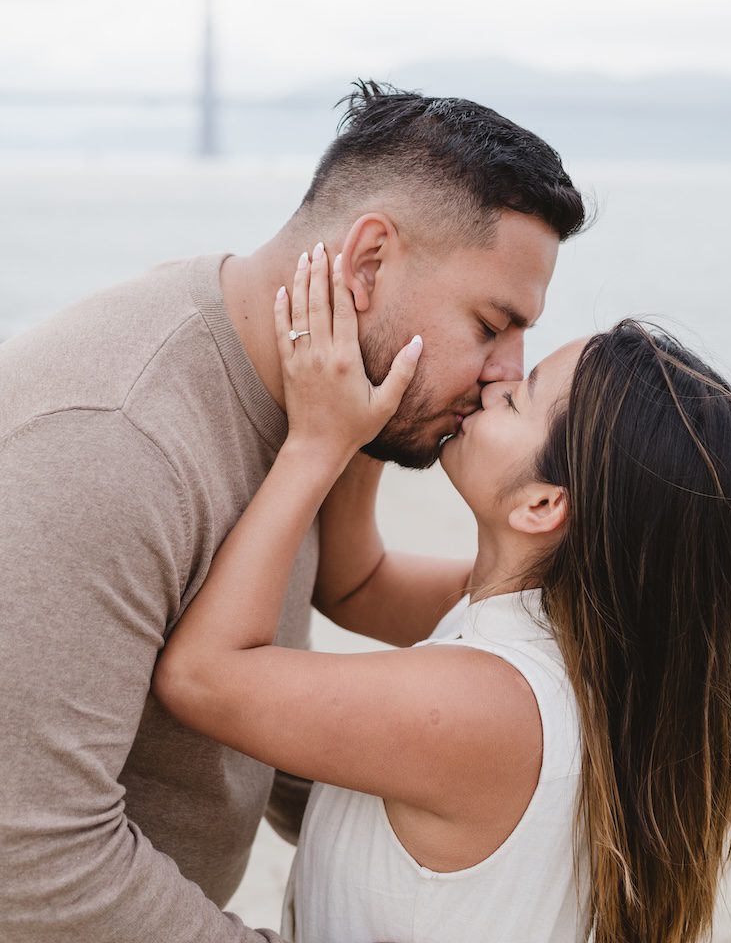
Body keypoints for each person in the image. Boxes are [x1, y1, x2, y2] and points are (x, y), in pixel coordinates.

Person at [0, 84, 585, 943]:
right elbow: (32, 862)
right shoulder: (107, 447)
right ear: (367, 263)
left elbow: (253, 710)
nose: (503, 373)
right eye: (492, 325)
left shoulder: (317, 406)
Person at [154, 247, 731, 943]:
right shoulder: (564, 628)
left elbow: (201, 678)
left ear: (541, 504)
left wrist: (316, 441)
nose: (490, 382)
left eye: (517, 398)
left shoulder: (488, 707)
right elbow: (355, 583)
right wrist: (381, 409)